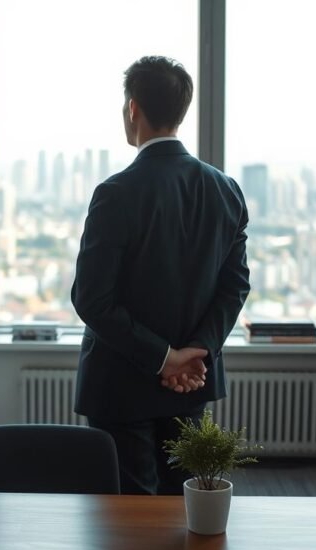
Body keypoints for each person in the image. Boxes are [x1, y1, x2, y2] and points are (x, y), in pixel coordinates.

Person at [71, 56, 250, 495]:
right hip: (191, 380)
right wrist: (195, 353)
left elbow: (92, 299)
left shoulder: (116, 193)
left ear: (133, 108)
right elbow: (235, 285)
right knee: (181, 506)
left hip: (121, 383)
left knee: (129, 514)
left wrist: (162, 357)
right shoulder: (225, 190)